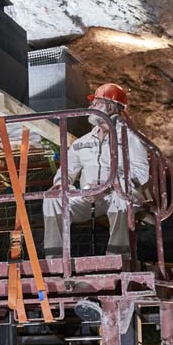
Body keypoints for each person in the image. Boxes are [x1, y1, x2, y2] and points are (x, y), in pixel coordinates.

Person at [42, 83, 151, 260]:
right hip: (89, 198)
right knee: (53, 200)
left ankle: (118, 256)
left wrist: (108, 187)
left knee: (121, 190)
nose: (90, 108)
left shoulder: (130, 137)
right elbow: (66, 171)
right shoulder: (82, 142)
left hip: (119, 196)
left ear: (110, 107)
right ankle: (55, 260)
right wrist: (61, 184)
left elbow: (141, 172)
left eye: (96, 104)